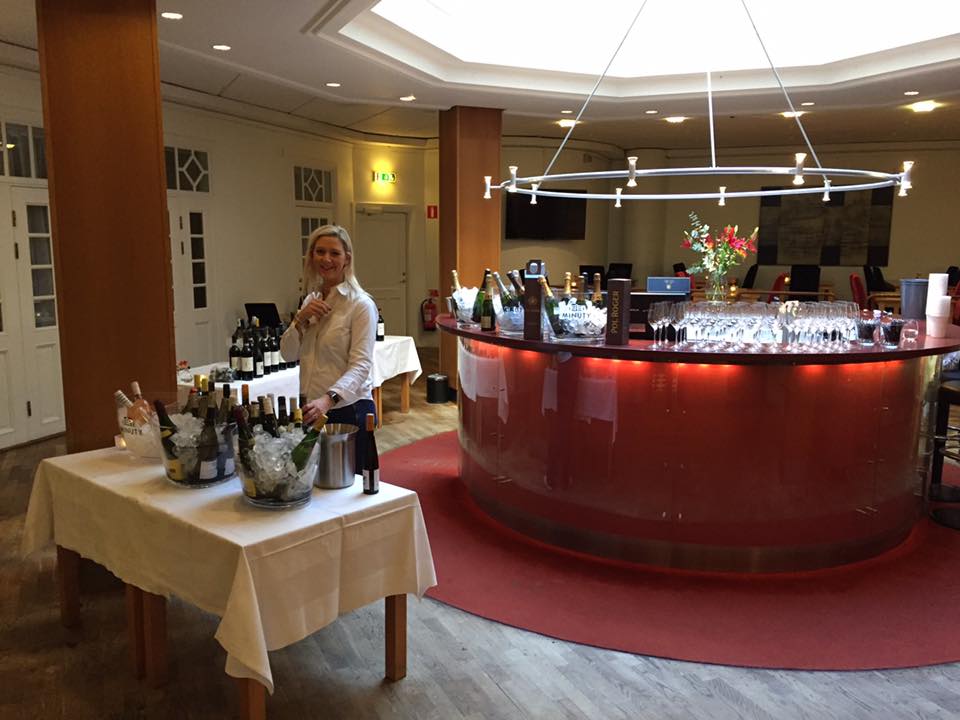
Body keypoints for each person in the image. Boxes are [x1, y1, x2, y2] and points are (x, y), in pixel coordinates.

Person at [280, 224, 377, 469]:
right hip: (312, 407)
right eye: (320, 252)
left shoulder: (360, 305)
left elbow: (361, 365)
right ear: (311, 256)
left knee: (349, 485)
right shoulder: (311, 300)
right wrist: (299, 320)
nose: (326, 259)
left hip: (348, 409)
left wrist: (328, 399)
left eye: (334, 253)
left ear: (347, 259)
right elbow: (287, 354)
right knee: (314, 482)